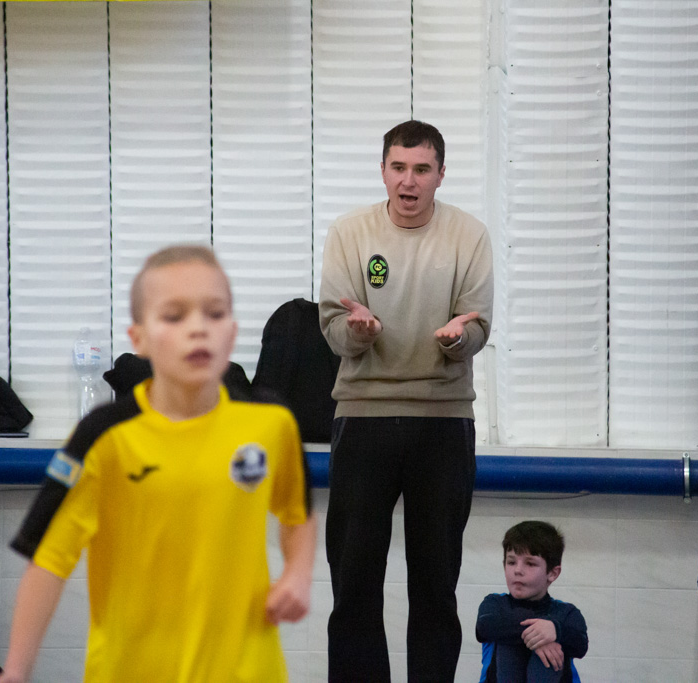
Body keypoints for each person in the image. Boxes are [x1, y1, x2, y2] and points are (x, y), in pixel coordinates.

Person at [0, 245, 317, 683]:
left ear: (232, 331)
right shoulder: (103, 436)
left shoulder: (271, 422)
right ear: (139, 339)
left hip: (248, 670)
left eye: (214, 313)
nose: (198, 329)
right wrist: (16, 670)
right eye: (174, 316)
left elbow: (297, 513)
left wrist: (298, 574)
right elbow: (49, 560)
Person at [319, 119, 493, 681]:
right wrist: (359, 333)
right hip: (363, 418)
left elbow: (476, 325)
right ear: (383, 171)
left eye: (421, 169)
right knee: (354, 583)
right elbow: (334, 327)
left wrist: (457, 339)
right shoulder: (349, 232)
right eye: (398, 167)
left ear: (441, 174)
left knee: (436, 585)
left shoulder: (469, 235)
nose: (408, 181)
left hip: (441, 422)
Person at [476, 521, 588, 683]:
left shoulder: (566, 613)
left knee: (548, 654)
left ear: (552, 573)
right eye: (511, 562)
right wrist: (542, 636)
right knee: (508, 641)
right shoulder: (495, 604)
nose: (517, 570)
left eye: (530, 563)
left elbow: (580, 644)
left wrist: (555, 630)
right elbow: (486, 626)